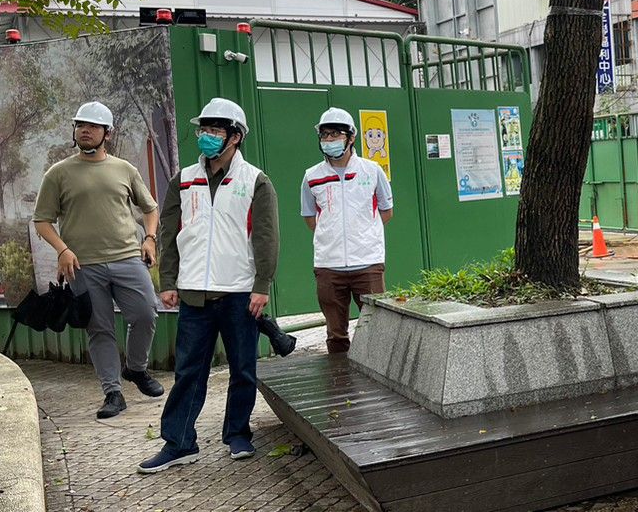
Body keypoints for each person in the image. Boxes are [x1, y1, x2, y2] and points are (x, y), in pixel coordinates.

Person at [141, 98, 279, 473]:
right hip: (193, 293)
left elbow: (265, 237)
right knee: (188, 371)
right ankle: (179, 442)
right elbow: (168, 232)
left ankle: (238, 433)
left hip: (239, 292)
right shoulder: (183, 179)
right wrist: (168, 281)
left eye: (215, 131)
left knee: (243, 368)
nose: (206, 137)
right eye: (203, 130)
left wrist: (261, 284)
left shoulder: (255, 181)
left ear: (235, 137)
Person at [32, 101, 164, 419]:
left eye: (92, 126)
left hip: (127, 257)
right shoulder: (58, 173)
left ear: (107, 132)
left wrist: (149, 238)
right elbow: (42, 221)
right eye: (80, 125)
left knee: (146, 313)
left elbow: (150, 208)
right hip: (83, 265)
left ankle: (136, 369)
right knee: (99, 328)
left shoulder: (124, 169)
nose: (85, 131)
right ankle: (113, 392)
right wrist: (63, 250)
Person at [301, 108, 394, 354]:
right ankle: (342, 388)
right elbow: (310, 217)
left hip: (368, 263)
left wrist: (362, 233)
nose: (329, 141)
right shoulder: (312, 176)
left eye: (335, 135)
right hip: (328, 266)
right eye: (325, 135)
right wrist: (332, 235)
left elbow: (386, 211)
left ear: (351, 137)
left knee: (375, 331)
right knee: (336, 335)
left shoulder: (372, 170)